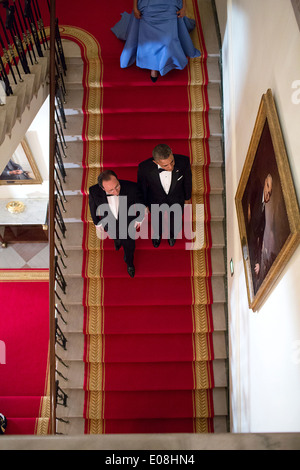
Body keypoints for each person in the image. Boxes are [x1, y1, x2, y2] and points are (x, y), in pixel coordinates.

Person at [111, 0, 201, 82]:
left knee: (168, 41)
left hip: (169, 5)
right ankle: (153, 68)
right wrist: (135, 8)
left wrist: (184, 8)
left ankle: (163, 63)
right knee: (150, 38)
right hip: (148, 5)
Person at [89, 170, 143, 278]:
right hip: (109, 222)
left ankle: (129, 263)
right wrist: (96, 222)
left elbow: (140, 202)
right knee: (114, 235)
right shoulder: (94, 190)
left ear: (117, 179)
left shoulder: (132, 187)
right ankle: (117, 241)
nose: (116, 192)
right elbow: (92, 206)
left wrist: (139, 218)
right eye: (111, 190)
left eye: (117, 186)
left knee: (129, 246)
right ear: (103, 189)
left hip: (128, 224)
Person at [137, 143, 192, 247]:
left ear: (172, 152)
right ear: (155, 162)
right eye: (165, 165)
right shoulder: (144, 167)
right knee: (157, 220)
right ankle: (157, 235)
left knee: (175, 220)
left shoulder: (184, 161)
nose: (171, 167)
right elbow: (142, 187)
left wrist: (187, 198)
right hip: (155, 199)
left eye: (172, 162)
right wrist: (144, 204)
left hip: (176, 198)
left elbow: (188, 181)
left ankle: (172, 235)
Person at [246, 174, 273, 293]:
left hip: (251, 245)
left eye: (270, 192)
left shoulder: (264, 216)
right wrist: (248, 209)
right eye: (267, 187)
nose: (268, 193)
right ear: (265, 183)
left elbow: (260, 240)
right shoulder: (257, 184)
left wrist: (258, 262)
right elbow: (247, 199)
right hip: (248, 237)